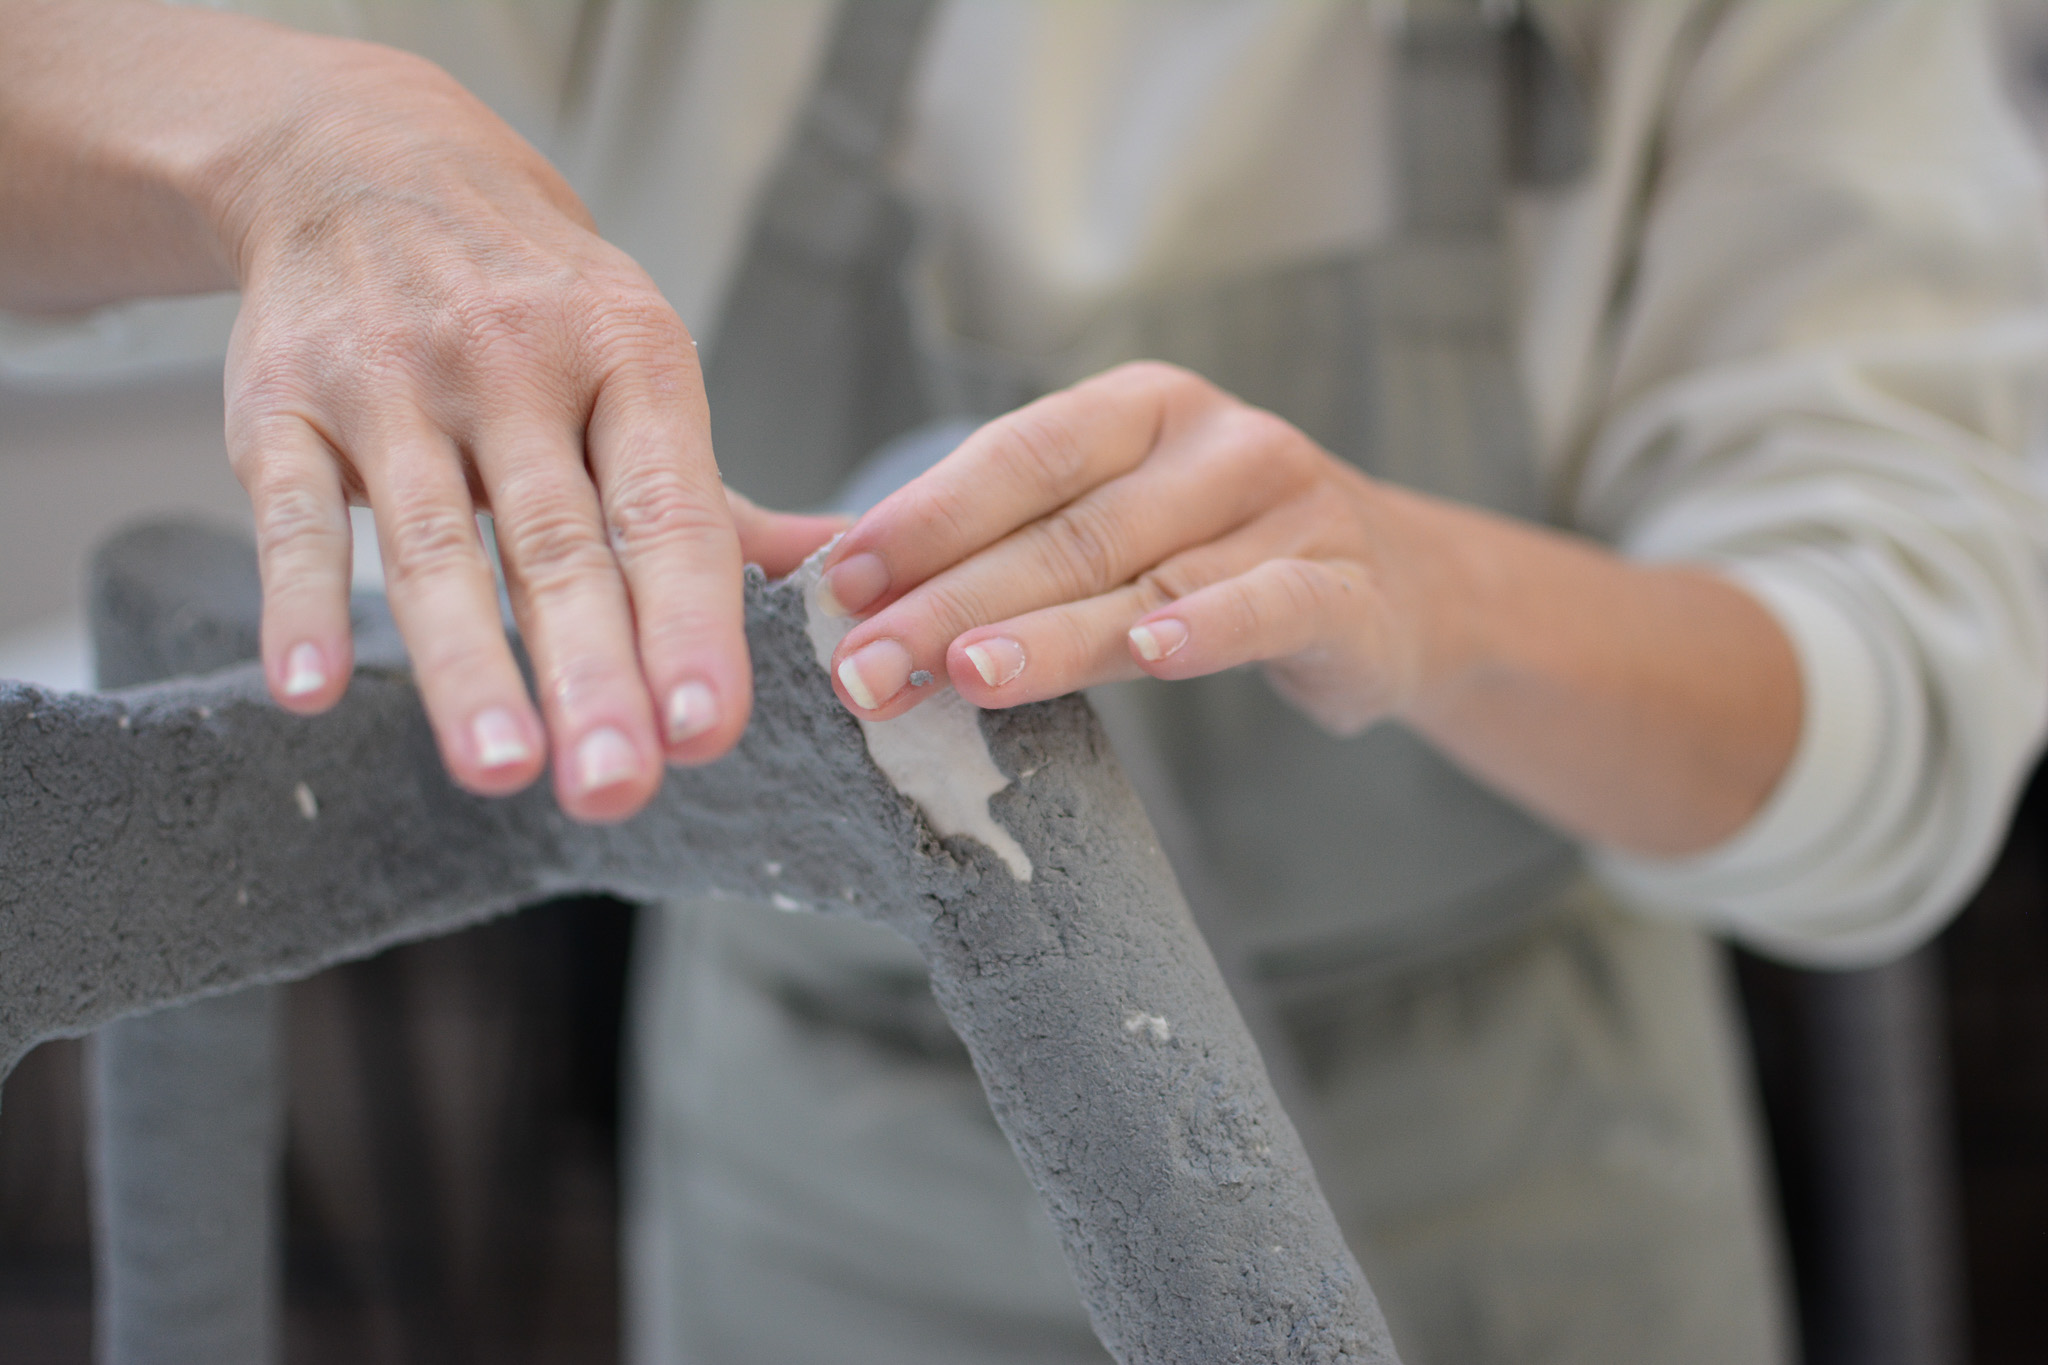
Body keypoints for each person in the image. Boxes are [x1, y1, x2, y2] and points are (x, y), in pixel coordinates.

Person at [4, 2, 2046, 1361]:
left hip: (1512, 1173)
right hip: (819, 1160)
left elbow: (1899, 702)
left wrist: (1427, 586)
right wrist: (298, 131)